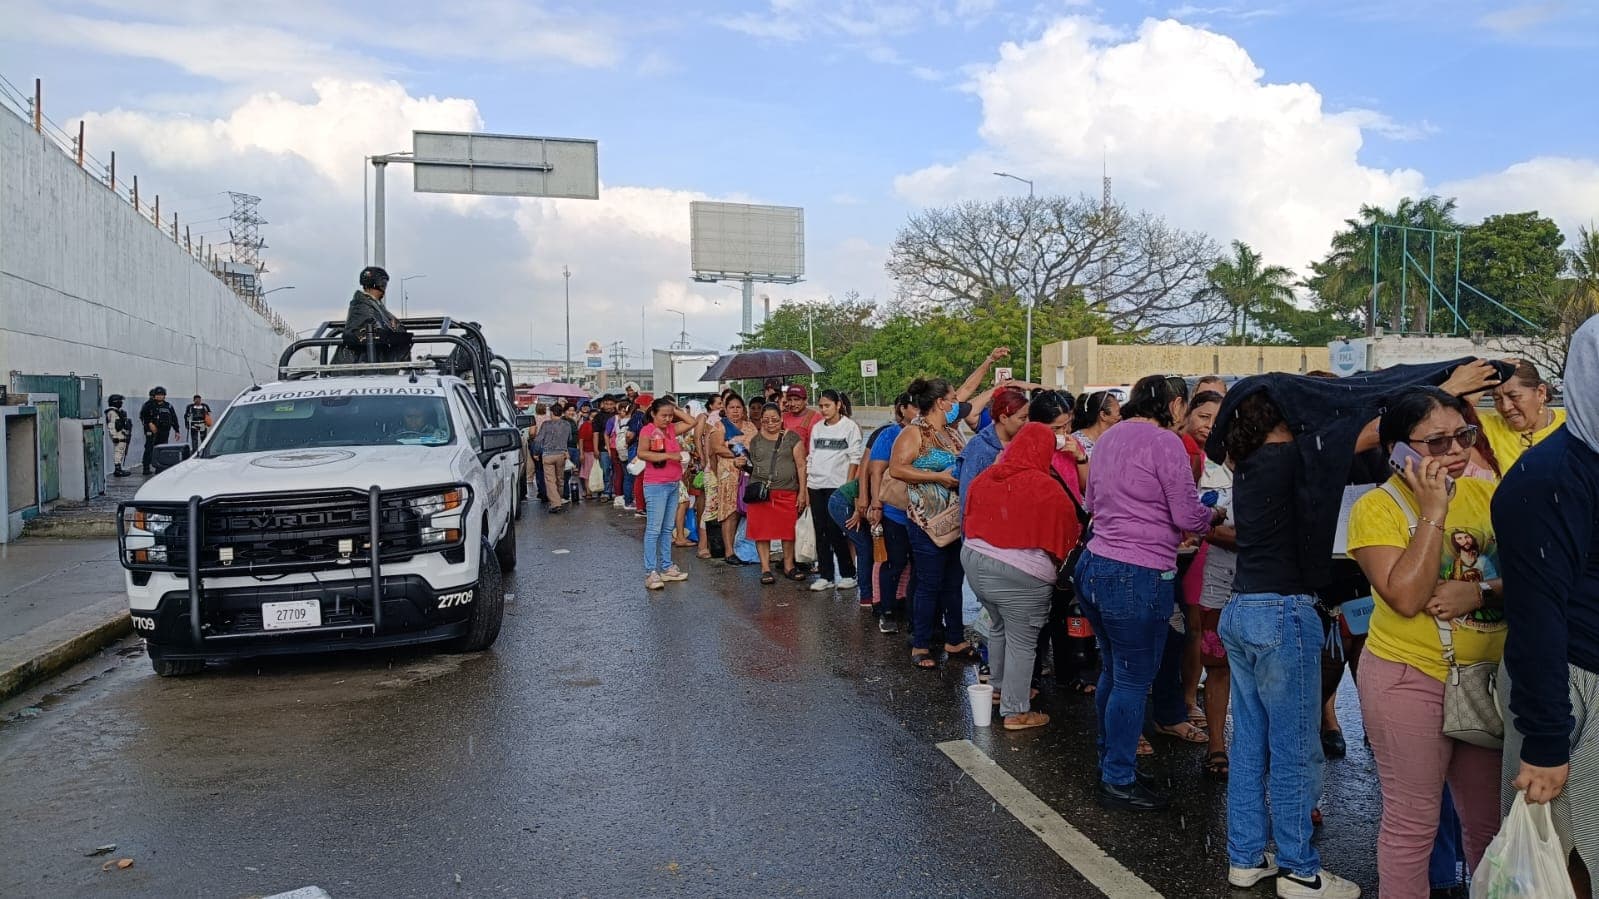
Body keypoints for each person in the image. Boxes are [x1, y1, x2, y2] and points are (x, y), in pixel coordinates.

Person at [1346, 387, 1504, 898]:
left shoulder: (1486, 495)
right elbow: (1407, 597)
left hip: (1484, 681)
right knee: (1413, 824)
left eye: (1464, 436)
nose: (1455, 451)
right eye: (1437, 442)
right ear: (1397, 449)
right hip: (1409, 678)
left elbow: (1531, 576)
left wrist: (1479, 591)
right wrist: (1434, 511)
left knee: (1490, 824)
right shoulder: (1377, 507)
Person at [1075, 374, 1220, 812]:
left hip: (1095, 564)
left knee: (1114, 670)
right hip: (1136, 573)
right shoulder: (1165, 443)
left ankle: (1111, 762)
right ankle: (1118, 777)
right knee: (1133, 679)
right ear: (1175, 405)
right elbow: (1187, 515)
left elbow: (1090, 503)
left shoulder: (1107, 438)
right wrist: (1213, 514)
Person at [1496, 317, 1599, 899]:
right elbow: (1537, 619)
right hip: (1571, 688)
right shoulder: (1545, 481)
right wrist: (1545, 743)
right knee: (1559, 859)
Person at [963, 422, 1083, 730]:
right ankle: (1015, 711)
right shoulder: (1047, 488)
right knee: (1022, 641)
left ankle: (999, 687)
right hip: (1019, 574)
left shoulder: (986, 477)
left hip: (975, 561)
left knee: (999, 626)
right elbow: (1068, 539)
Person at [889, 378, 973, 670]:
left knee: (953, 582)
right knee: (929, 582)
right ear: (940, 402)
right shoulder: (914, 432)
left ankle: (955, 639)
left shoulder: (950, 431)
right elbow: (897, 469)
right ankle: (921, 644)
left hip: (955, 520)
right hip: (927, 522)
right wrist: (937, 477)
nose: (955, 403)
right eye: (952, 398)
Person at [868, 393, 918, 634]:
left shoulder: (931, 433)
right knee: (894, 562)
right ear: (902, 408)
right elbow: (875, 472)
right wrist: (876, 505)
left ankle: (914, 614)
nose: (919, 411)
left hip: (923, 515)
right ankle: (886, 611)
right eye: (914, 406)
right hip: (895, 512)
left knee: (918, 565)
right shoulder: (889, 434)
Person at [637, 398, 700, 590]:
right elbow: (642, 453)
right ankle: (650, 571)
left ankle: (666, 566)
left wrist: (675, 409)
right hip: (656, 485)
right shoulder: (647, 430)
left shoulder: (671, 429)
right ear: (653, 414)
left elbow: (692, 422)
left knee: (666, 528)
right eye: (663, 415)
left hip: (673, 483)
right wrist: (668, 455)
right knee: (654, 529)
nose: (667, 419)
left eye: (670, 415)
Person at [805, 390, 864, 593]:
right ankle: (826, 575)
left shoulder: (849, 427)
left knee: (836, 531)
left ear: (838, 405)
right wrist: (809, 480)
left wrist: (848, 487)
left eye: (827, 405)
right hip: (816, 485)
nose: (823, 410)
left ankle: (848, 573)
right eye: (821, 406)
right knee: (820, 532)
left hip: (837, 486)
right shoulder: (817, 428)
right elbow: (812, 455)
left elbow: (855, 458)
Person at [745, 403, 808, 585]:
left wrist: (802, 492)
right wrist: (740, 463)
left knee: (788, 531)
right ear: (761, 421)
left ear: (781, 419)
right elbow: (752, 465)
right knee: (761, 532)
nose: (770, 423)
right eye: (766, 420)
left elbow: (801, 466)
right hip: (761, 493)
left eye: (774, 419)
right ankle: (765, 568)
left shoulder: (792, 438)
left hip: (787, 491)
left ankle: (789, 565)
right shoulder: (755, 440)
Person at [958, 388, 1030, 506]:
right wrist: (993, 471)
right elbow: (967, 496)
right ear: (1003, 418)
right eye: (1022, 418)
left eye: (1028, 418)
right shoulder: (978, 447)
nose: (1027, 423)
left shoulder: (1026, 443)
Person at [337, 266, 413, 364]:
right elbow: (371, 332)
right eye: (384, 284)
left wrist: (396, 329)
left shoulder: (373, 304)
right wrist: (395, 332)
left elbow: (390, 327)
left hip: (371, 360)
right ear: (380, 285)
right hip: (362, 364)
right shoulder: (362, 306)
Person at [535, 402, 574, 513]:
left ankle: (555, 503)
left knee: (550, 480)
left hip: (548, 454)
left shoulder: (546, 424)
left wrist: (536, 452)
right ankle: (559, 498)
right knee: (560, 478)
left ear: (551, 412)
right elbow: (570, 438)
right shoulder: (567, 424)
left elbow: (538, 440)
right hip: (561, 454)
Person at [138, 386, 178, 475]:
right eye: (157, 395)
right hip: (152, 431)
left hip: (164, 431)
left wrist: (177, 430)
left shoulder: (168, 406)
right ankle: (146, 467)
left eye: (161, 395)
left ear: (164, 396)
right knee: (149, 448)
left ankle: (160, 468)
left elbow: (174, 418)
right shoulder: (149, 405)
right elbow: (143, 416)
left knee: (162, 449)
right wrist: (150, 424)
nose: (159, 396)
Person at [1071, 390, 1121, 460]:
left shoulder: (1118, 440)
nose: (1121, 417)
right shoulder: (1075, 442)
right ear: (1103, 415)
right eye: (1118, 413)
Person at [781, 386, 824, 455]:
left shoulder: (816, 418)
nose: (792, 404)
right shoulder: (783, 417)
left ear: (805, 400)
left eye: (796, 400)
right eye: (789, 400)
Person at [592, 395, 617, 501]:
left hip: (616, 448)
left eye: (611, 404)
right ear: (603, 404)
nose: (609, 406)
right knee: (605, 470)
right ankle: (606, 492)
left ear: (615, 405)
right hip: (602, 448)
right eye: (606, 404)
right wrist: (595, 449)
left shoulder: (618, 415)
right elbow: (595, 434)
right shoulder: (598, 417)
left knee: (616, 471)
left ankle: (616, 491)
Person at [104, 394, 132, 477]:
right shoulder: (112, 412)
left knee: (121, 451)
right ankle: (118, 470)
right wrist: (114, 436)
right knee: (118, 451)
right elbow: (111, 425)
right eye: (120, 401)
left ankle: (119, 468)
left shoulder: (117, 411)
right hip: (118, 434)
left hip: (121, 433)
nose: (121, 403)